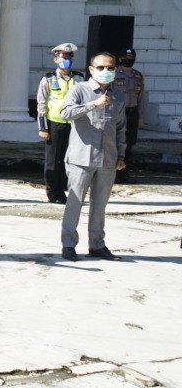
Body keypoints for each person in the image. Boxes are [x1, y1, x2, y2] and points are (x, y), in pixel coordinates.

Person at [58, 52, 127, 262]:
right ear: (91, 69)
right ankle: (69, 245)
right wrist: (94, 104)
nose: (106, 71)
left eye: (110, 68)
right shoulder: (79, 90)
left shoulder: (118, 95)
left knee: (100, 205)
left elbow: (121, 127)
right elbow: (65, 113)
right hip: (81, 158)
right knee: (75, 202)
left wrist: (121, 154)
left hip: (107, 158)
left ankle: (97, 245)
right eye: (101, 68)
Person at [37, 43, 83, 204]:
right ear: (56, 59)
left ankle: (63, 191)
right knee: (52, 160)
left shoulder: (79, 78)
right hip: (54, 123)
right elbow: (41, 104)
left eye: (69, 57)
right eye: (64, 57)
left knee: (68, 159)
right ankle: (52, 192)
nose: (67, 60)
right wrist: (43, 127)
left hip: (73, 124)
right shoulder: (48, 79)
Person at [113, 48, 147, 183]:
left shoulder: (137, 76)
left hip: (132, 113)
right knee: (116, 142)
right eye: (126, 57)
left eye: (132, 57)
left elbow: (141, 98)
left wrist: (140, 117)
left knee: (129, 143)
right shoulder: (114, 74)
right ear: (120, 59)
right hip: (118, 112)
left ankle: (124, 172)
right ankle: (114, 173)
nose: (129, 59)